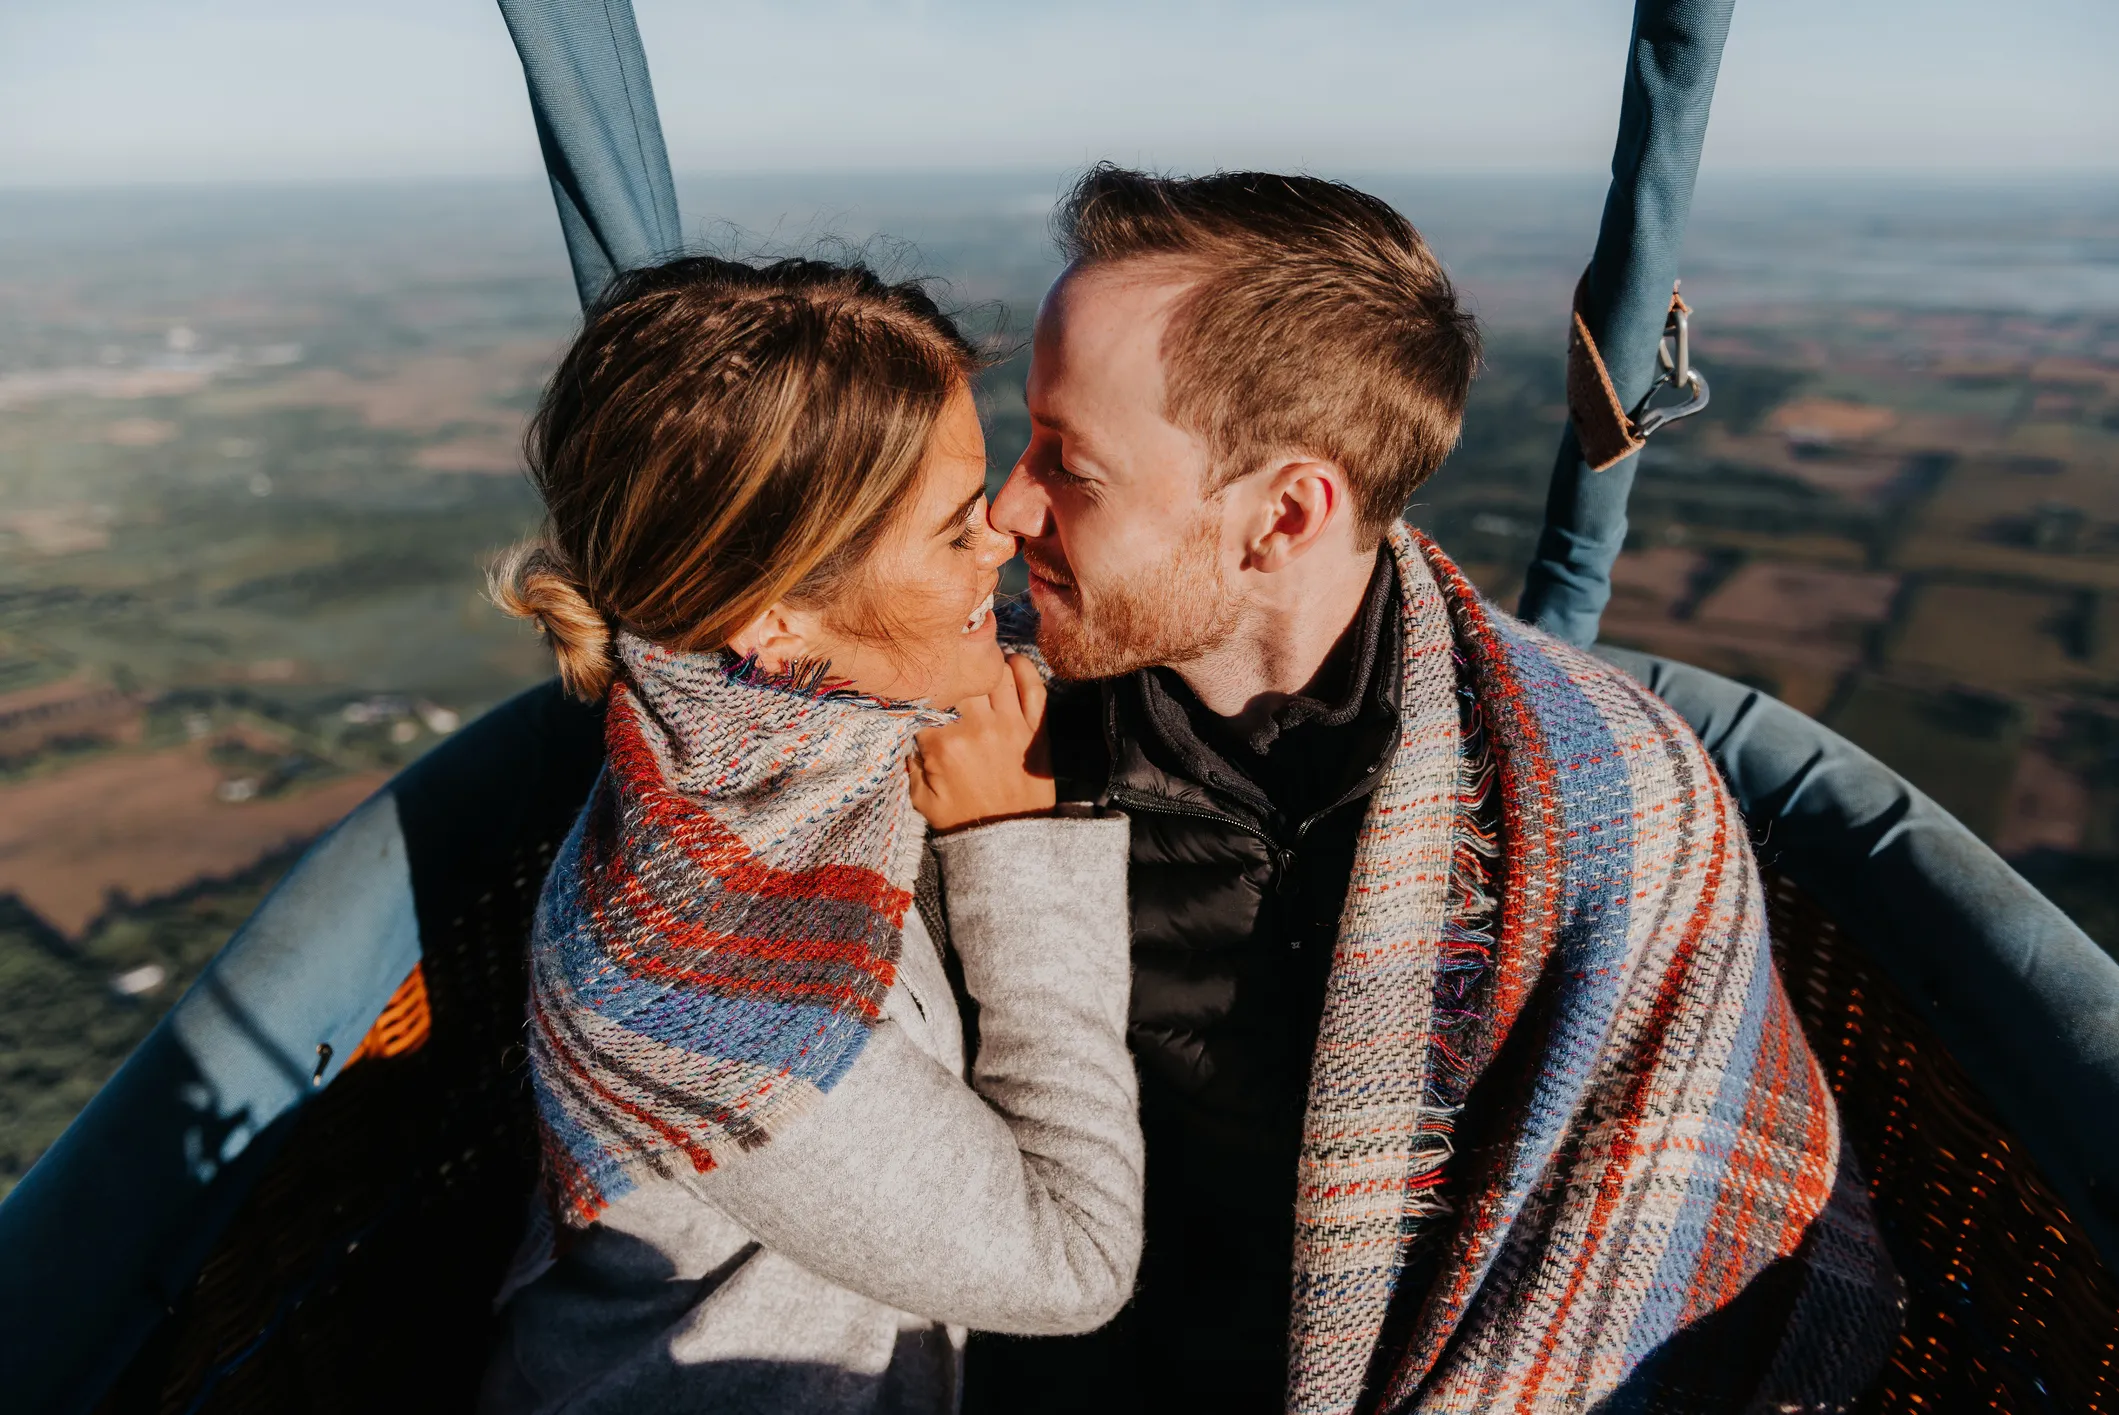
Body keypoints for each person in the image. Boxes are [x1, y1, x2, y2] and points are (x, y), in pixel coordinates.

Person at [966, 167, 1904, 1415]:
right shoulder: (980, 731)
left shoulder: (1607, 799)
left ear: (1282, 516)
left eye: (1067, 463)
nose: (1004, 505)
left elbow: (1629, 1266)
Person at [476, 254, 1142, 1415]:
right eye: (951, 532)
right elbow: (1069, 1262)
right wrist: (1008, 845)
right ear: (775, 619)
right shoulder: (703, 984)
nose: (996, 538)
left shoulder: (783, 736)